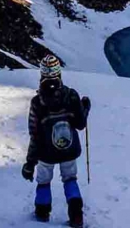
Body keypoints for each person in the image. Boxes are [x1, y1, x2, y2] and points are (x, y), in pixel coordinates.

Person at [22, 55, 91, 228]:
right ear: (59, 73)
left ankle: (42, 214)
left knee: (44, 181)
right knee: (70, 179)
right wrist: (85, 108)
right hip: (69, 149)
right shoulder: (71, 95)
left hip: (46, 153)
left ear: (42, 74)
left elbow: (35, 135)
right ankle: (76, 217)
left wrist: (30, 163)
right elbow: (81, 124)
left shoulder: (37, 102)